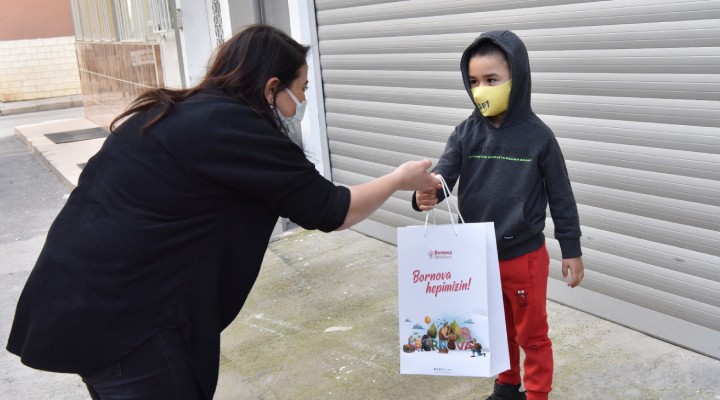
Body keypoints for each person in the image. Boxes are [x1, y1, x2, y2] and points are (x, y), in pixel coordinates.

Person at [6, 25, 439, 400]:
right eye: (302, 89)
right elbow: (331, 210)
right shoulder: (236, 128)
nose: (303, 100)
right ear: (272, 87)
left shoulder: (176, 112)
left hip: (75, 303)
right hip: (131, 324)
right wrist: (399, 179)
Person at [412, 31, 585, 400]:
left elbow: (561, 196)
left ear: (516, 79)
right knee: (497, 329)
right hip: (479, 255)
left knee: (532, 334)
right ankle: (507, 386)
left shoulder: (539, 137)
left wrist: (571, 248)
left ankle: (537, 393)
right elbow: (444, 175)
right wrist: (425, 193)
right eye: (474, 82)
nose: (481, 90)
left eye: (492, 80)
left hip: (524, 258)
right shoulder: (465, 133)